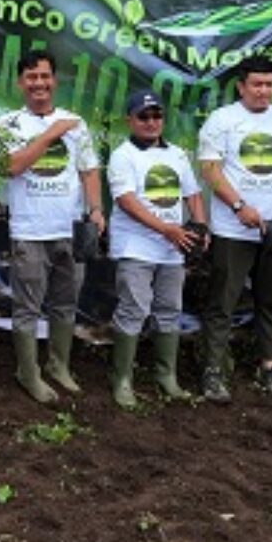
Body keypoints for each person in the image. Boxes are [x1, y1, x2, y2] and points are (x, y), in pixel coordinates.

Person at [198, 55, 272, 403]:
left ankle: (269, 367)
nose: (264, 91)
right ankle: (214, 370)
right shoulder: (223, 120)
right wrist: (238, 206)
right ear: (241, 86)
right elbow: (210, 169)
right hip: (233, 230)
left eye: (269, 85)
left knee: (271, 301)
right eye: (257, 85)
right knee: (223, 302)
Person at [0, 50, 103, 403]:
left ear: (54, 80)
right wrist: (50, 134)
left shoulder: (76, 123)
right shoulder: (9, 124)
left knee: (65, 303)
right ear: (20, 82)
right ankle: (28, 372)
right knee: (27, 306)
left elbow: (88, 170)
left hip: (70, 229)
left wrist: (96, 209)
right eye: (31, 77)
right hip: (29, 231)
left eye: (44, 76)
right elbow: (11, 167)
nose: (39, 84)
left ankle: (59, 366)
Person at [108, 89, 206, 409]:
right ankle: (122, 379)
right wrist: (167, 229)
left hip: (172, 250)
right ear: (130, 120)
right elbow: (126, 201)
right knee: (133, 310)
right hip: (136, 247)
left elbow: (192, 194)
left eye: (156, 116)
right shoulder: (123, 155)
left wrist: (200, 226)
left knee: (169, 311)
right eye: (143, 116)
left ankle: (166, 376)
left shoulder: (177, 154)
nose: (151, 122)